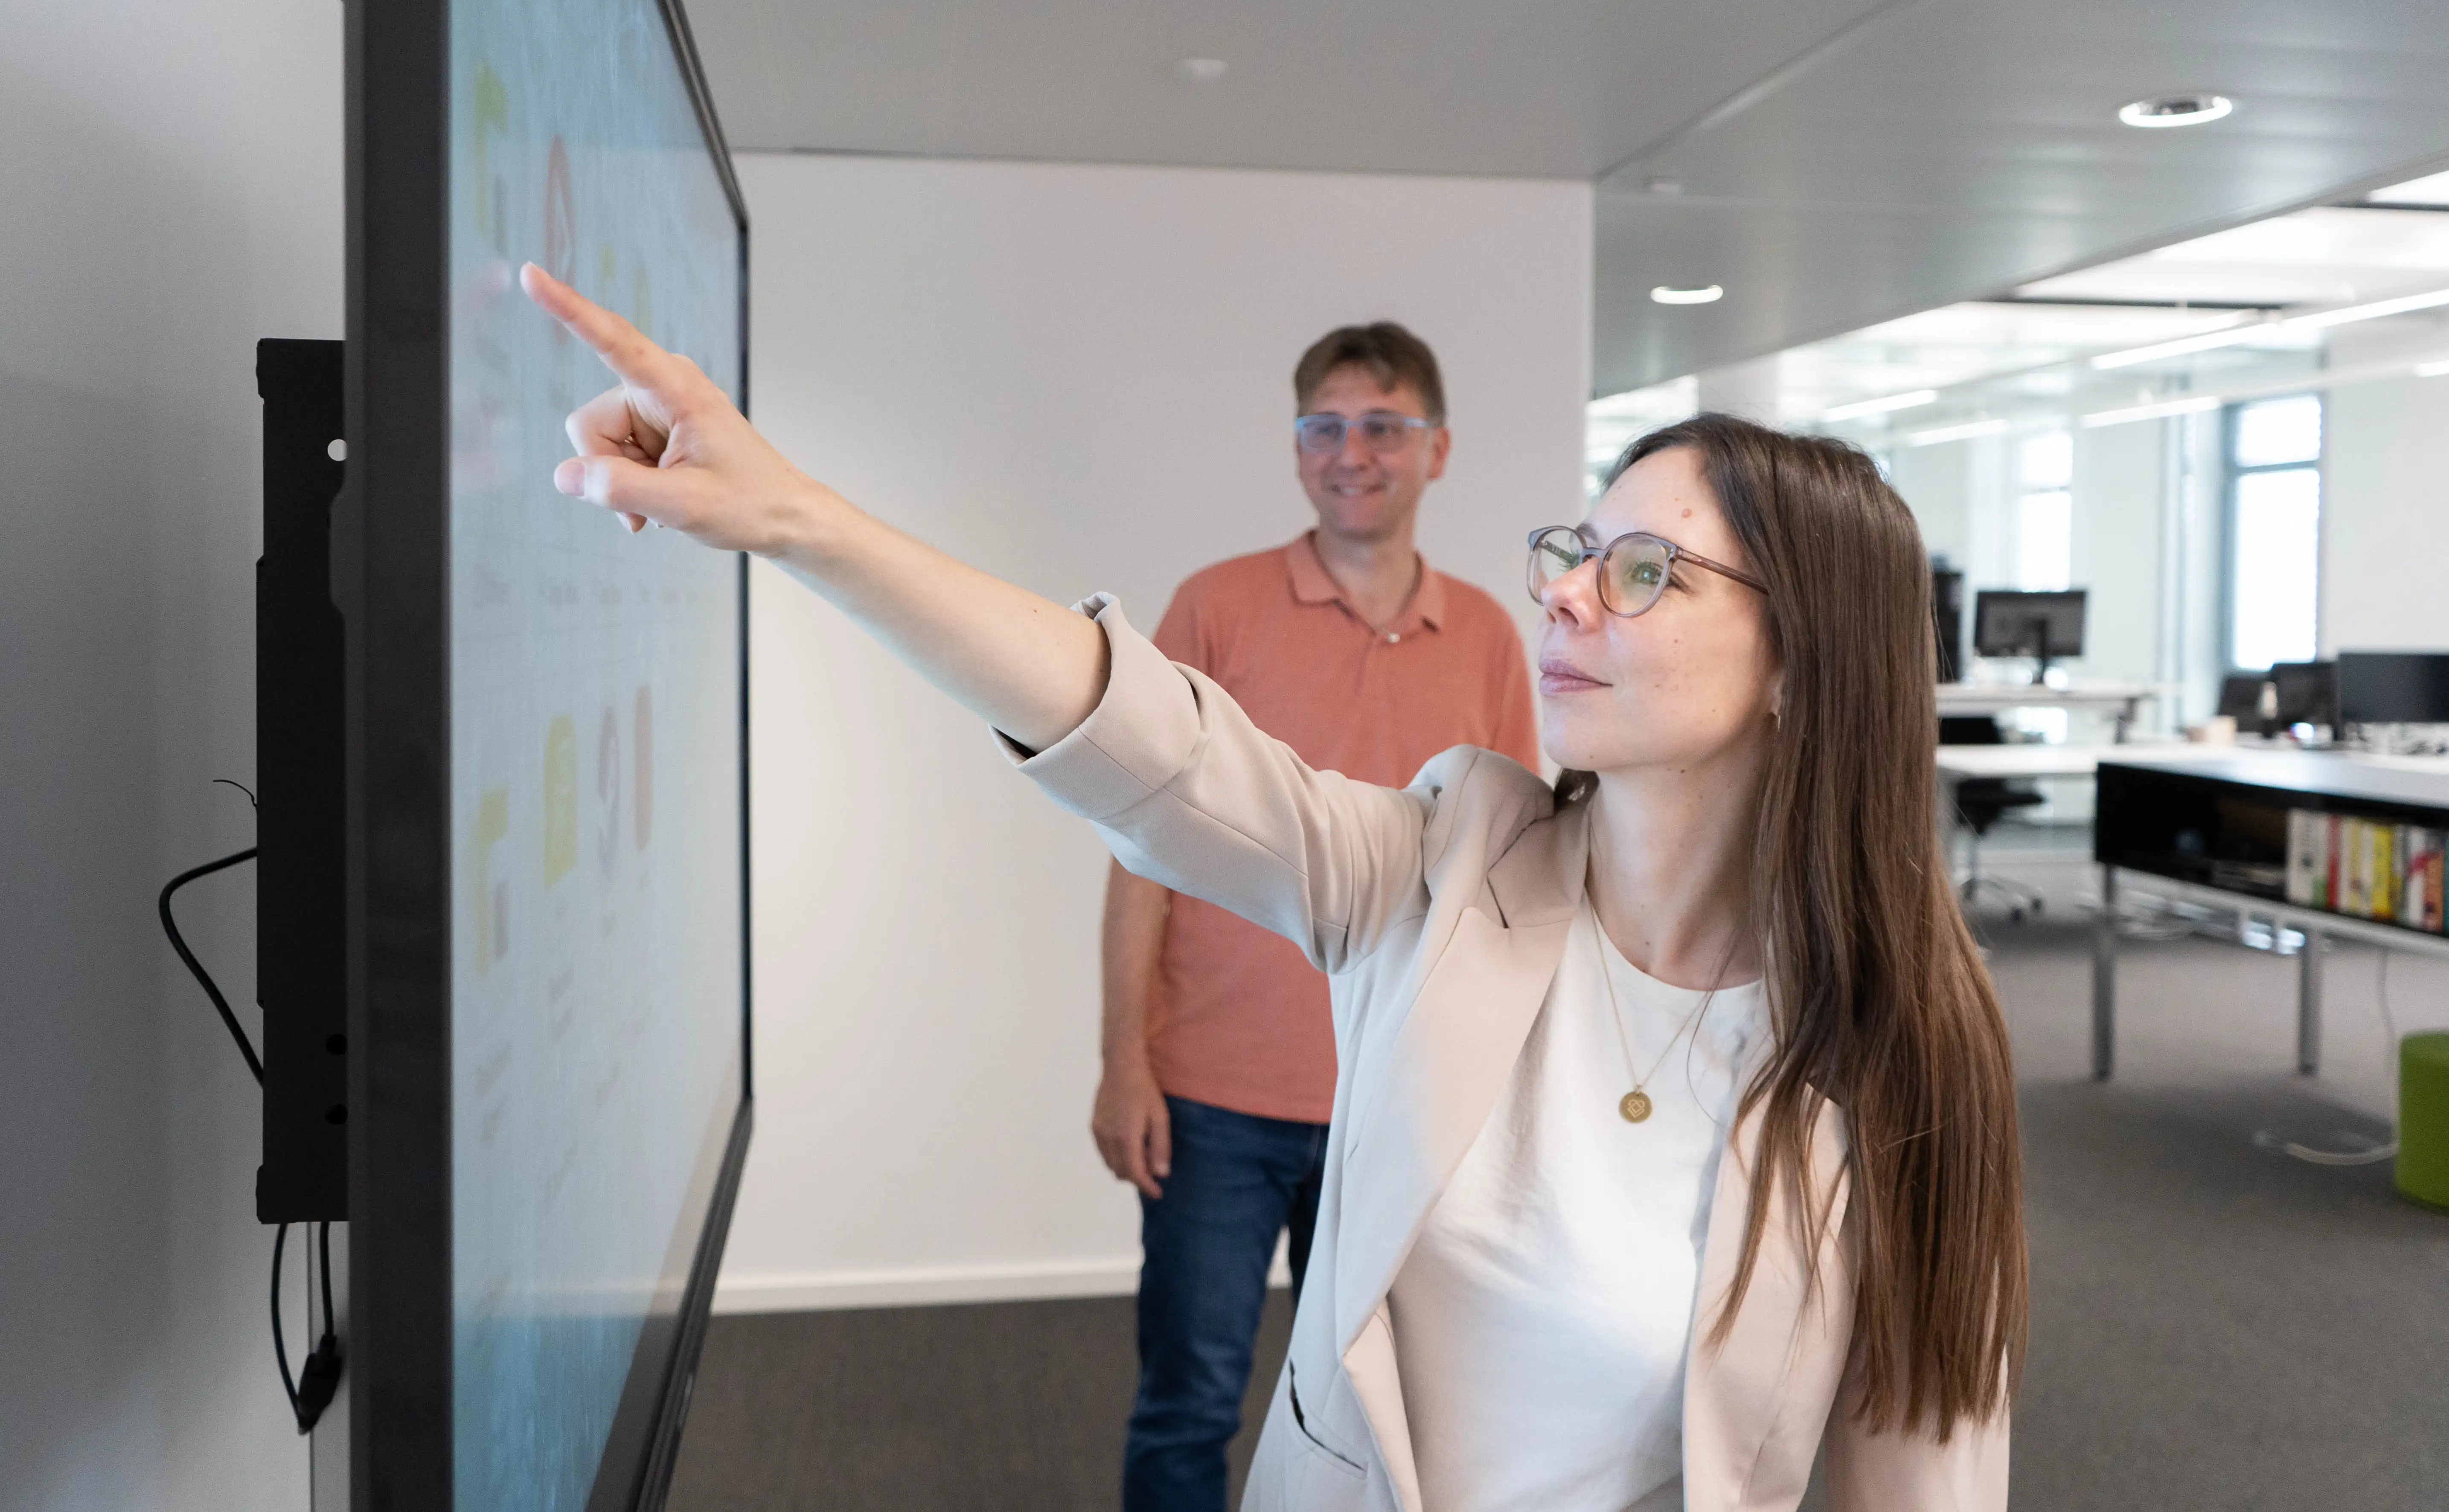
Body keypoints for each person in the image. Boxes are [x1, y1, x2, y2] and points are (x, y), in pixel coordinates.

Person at [521, 263, 2028, 1512]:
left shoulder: (1909, 1057)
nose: (1563, 589)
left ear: (1802, 664)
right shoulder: (1444, 861)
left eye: (1644, 572)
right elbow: (1148, 750)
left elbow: (1919, 1482)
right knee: (1184, 1380)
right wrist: (800, 520)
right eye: (1577, 550)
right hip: (1232, 1106)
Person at [1093, 325, 1539, 1510]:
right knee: (1189, 1397)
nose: (1353, 453)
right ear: (1296, 452)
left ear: (1436, 450)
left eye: (1383, 427)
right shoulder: (1216, 608)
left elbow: (1514, 870)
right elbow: (1141, 852)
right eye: (1325, 427)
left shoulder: (1490, 632)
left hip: (1406, 1087)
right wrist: (1123, 1060)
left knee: (1392, 1412)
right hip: (1217, 1097)